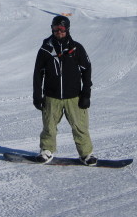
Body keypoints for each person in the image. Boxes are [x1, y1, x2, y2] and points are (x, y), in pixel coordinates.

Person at [32, 15, 97, 165]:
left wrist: (86, 93)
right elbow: (38, 74)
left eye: (61, 29)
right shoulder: (45, 49)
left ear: (67, 29)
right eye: (55, 29)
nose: (58, 32)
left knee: (80, 126)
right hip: (51, 96)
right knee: (49, 126)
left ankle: (86, 154)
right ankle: (47, 150)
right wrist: (37, 95)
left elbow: (86, 70)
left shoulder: (76, 48)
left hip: (73, 96)